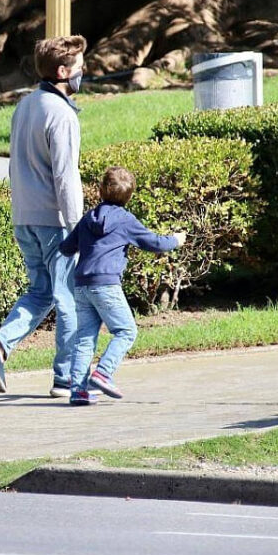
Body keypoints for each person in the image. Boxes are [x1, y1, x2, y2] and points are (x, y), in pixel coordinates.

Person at [0, 35, 87, 397]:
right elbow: (66, 176)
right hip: (55, 220)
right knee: (67, 296)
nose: (84, 72)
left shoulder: (24, 106)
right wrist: (78, 227)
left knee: (40, 293)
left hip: (24, 216)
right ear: (63, 71)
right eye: (81, 67)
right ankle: (66, 377)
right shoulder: (62, 114)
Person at [59, 166, 186, 405]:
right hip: (106, 284)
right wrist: (176, 240)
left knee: (85, 338)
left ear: (99, 190)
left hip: (82, 285)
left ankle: (78, 390)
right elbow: (155, 243)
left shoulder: (88, 218)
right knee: (126, 331)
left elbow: (66, 248)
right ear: (129, 196)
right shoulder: (125, 220)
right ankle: (103, 373)